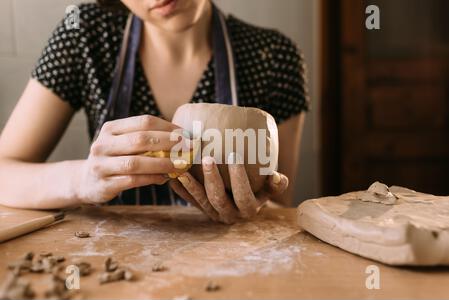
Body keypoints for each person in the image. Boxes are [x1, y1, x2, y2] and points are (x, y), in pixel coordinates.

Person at [0, 0, 308, 224]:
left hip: (230, 264)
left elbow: (278, 201)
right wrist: (83, 179)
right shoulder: (85, 34)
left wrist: (255, 210)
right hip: (115, 266)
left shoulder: (274, 56)